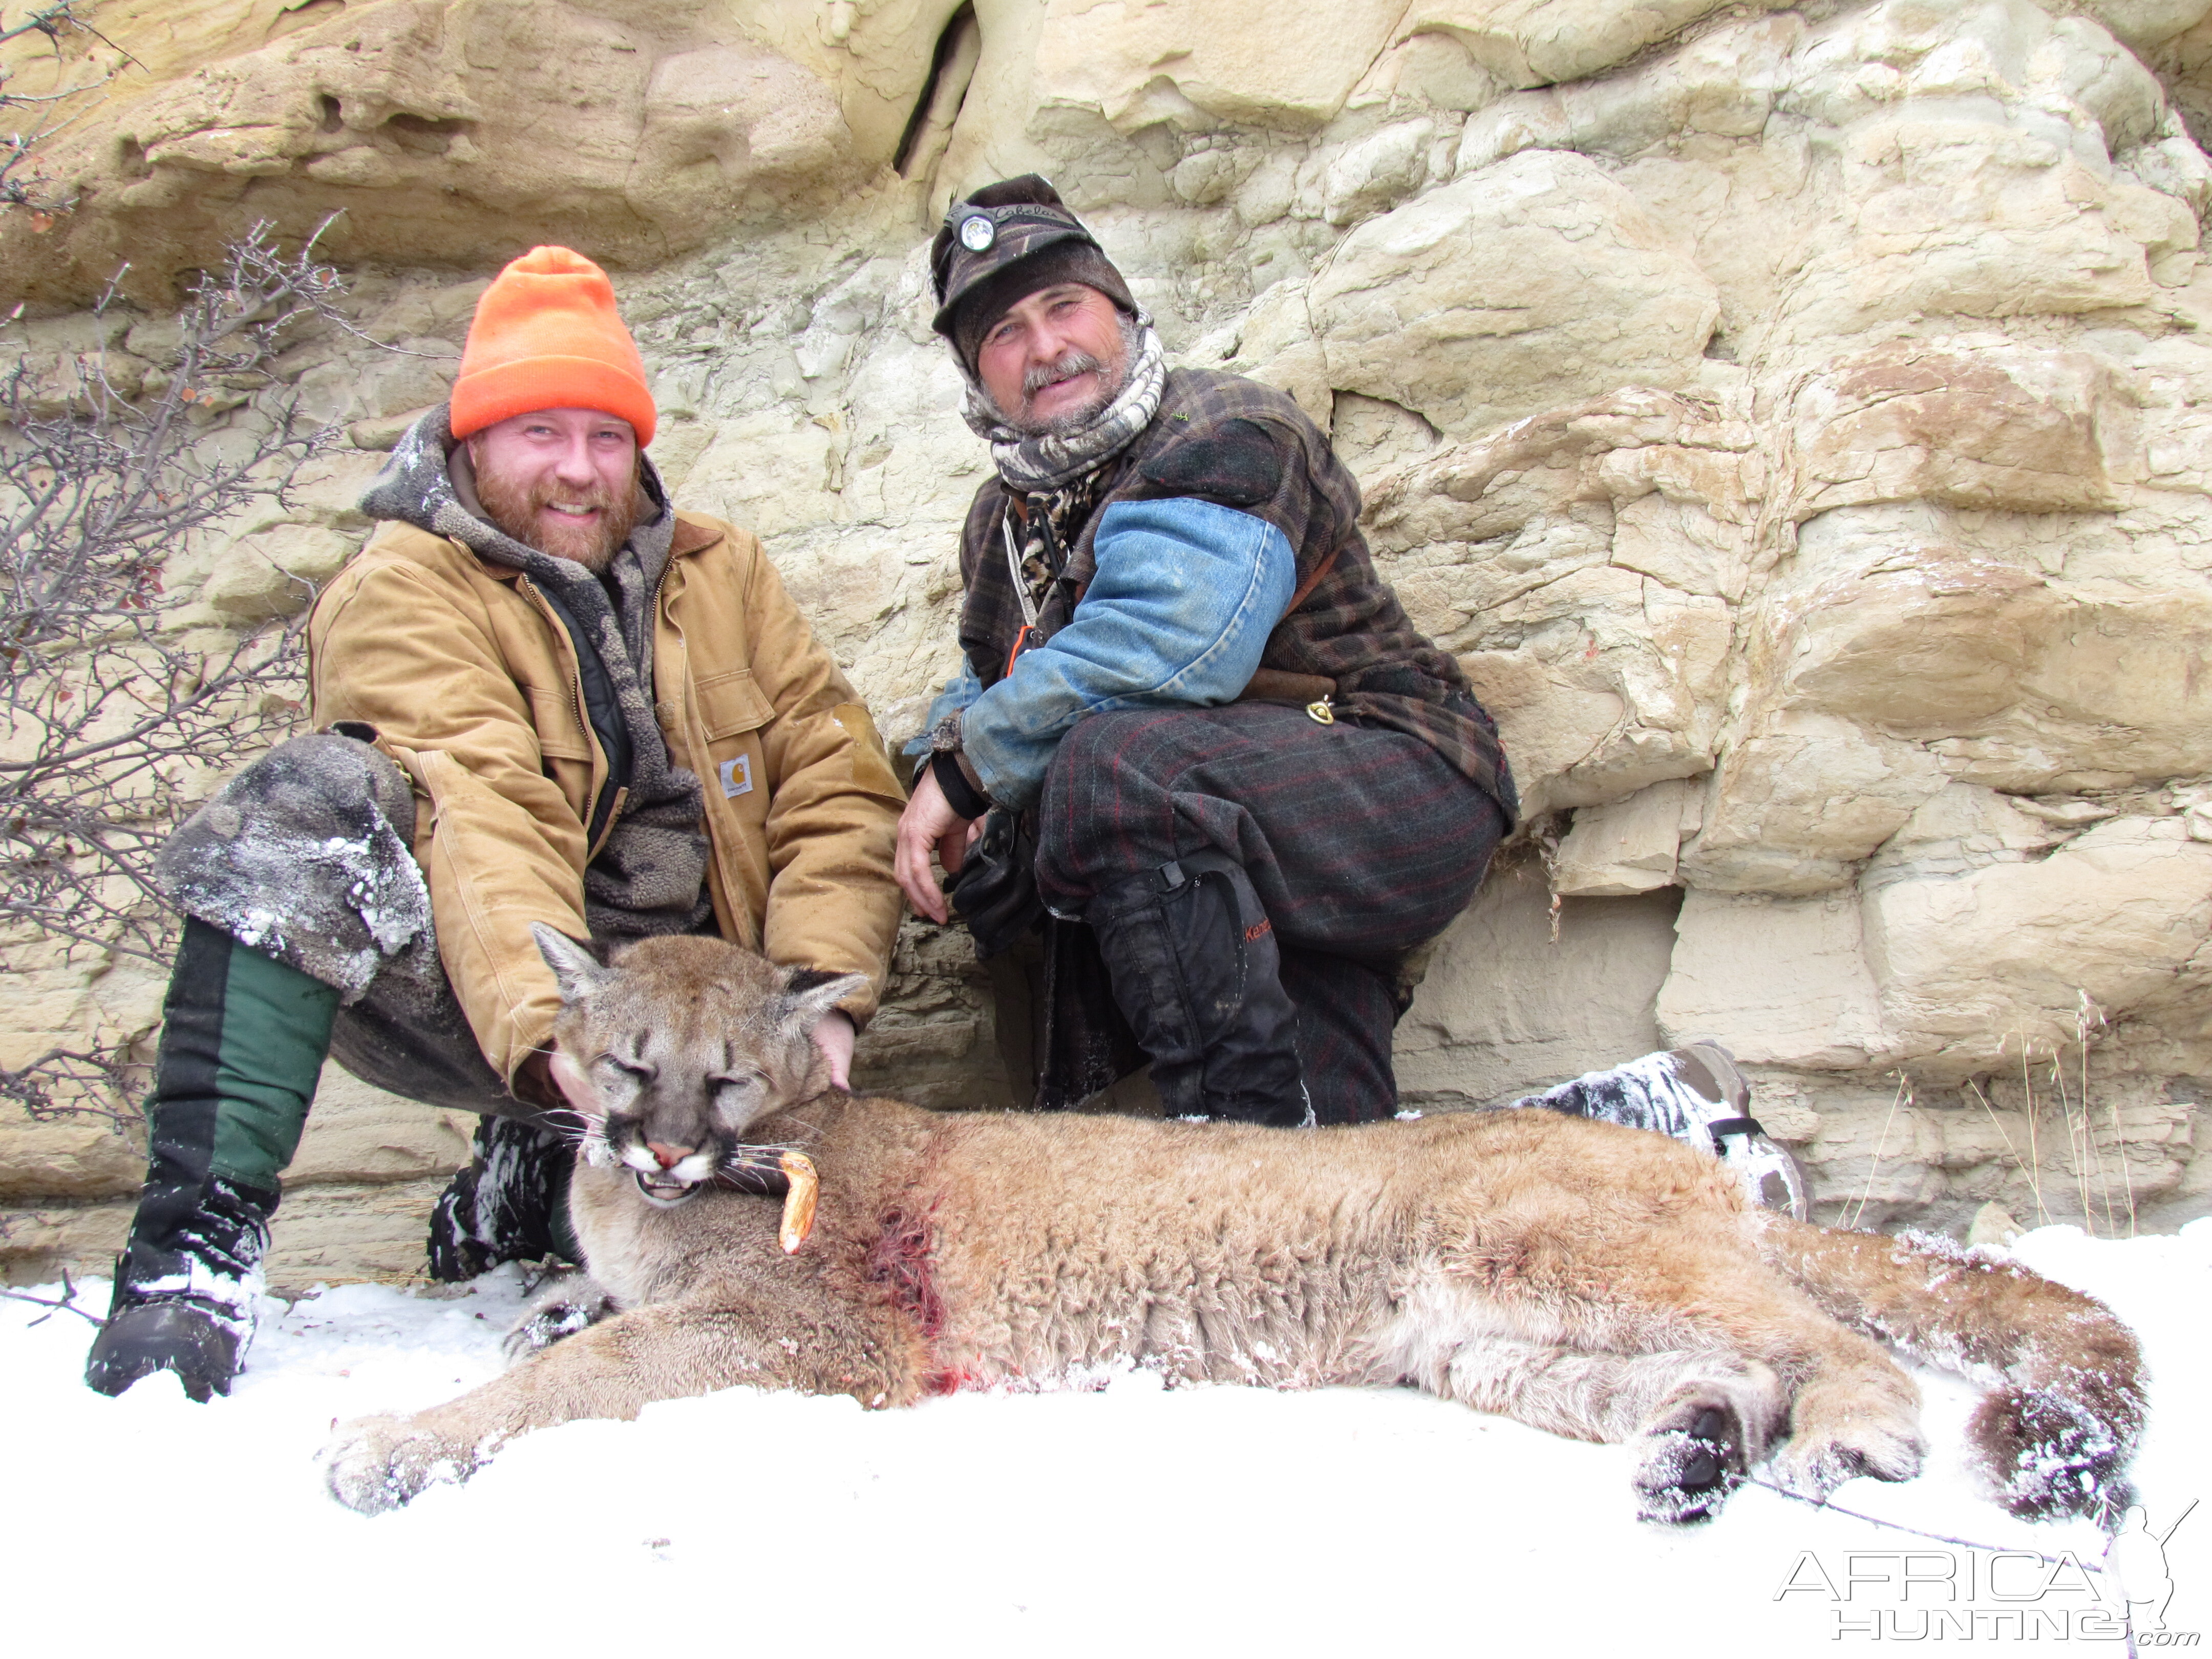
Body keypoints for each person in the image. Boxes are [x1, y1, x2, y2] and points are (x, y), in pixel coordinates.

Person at [84, 246, 907, 1401]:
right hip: (513, 996)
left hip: (704, 1023)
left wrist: (815, 1006)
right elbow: (482, 812)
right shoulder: (403, 588)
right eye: (540, 434)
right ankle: (193, 1259)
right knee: (308, 804)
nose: (579, 471)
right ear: (471, 440)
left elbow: (832, 774)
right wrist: (555, 1034)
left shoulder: (725, 572)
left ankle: (530, 1177)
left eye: (606, 437)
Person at [894, 178, 1807, 1204]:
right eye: (1005, 334)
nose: (1046, 346)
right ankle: (1673, 1146)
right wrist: (942, 762)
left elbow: (1163, 641)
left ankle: (1241, 1169)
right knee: (1351, 1175)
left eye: (1065, 307)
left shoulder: (1225, 429)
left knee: (1110, 772)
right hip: (1227, 863)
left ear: (1120, 311)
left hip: (1387, 785)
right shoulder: (1002, 521)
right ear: (977, 373)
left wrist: (970, 772)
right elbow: (987, 673)